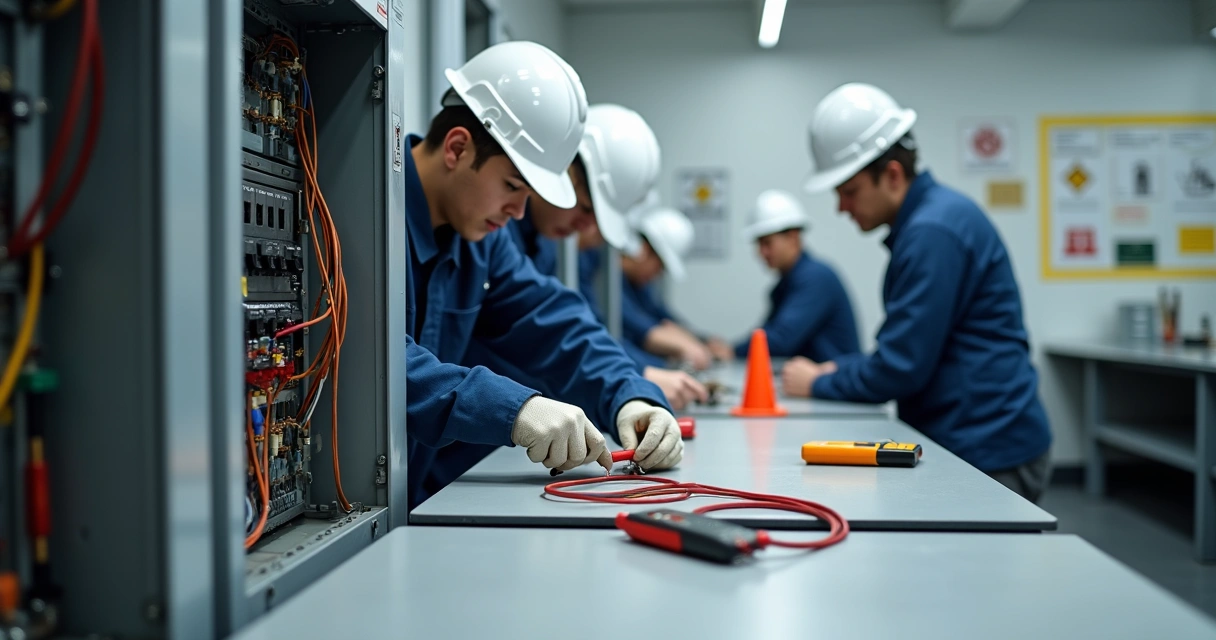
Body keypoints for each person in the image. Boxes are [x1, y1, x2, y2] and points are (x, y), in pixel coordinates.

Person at [405, 41, 683, 509]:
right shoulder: (364, 210)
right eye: (512, 186)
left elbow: (555, 320)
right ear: (457, 147)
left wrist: (630, 395)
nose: (518, 212)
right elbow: (373, 361)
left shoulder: (481, 240)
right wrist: (515, 410)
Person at [780, 83, 1052, 502]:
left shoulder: (932, 233)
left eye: (848, 192)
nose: (841, 208)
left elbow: (900, 367)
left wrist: (818, 382)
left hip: (989, 449)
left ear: (891, 175)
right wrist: (839, 370)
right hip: (978, 437)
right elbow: (907, 351)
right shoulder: (935, 221)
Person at [462, 104, 707, 410]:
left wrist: (628, 381)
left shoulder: (543, 244)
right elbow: (540, 338)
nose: (586, 229)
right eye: (587, 209)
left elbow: (565, 328)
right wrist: (633, 376)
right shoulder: (491, 229)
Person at [732, 189, 860, 362]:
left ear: (793, 238)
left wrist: (732, 352)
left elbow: (780, 340)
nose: (762, 252)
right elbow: (766, 336)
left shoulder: (816, 277)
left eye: (767, 243)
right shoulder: (784, 286)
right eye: (759, 244)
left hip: (832, 384)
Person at [617, 206, 725, 370]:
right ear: (645, 250)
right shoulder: (606, 283)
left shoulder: (638, 286)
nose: (658, 275)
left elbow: (662, 318)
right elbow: (640, 328)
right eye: (659, 267)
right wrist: (685, 346)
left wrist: (702, 340)